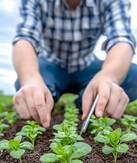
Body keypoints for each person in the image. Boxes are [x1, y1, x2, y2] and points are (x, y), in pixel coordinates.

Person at [12, 0, 137, 128]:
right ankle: (46, 101)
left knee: (133, 75)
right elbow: (25, 37)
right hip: (51, 64)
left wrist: (109, 77)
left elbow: (121, 39)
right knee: (27, 87)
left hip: (86, 65)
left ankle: (87, 101)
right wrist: (30, 79)